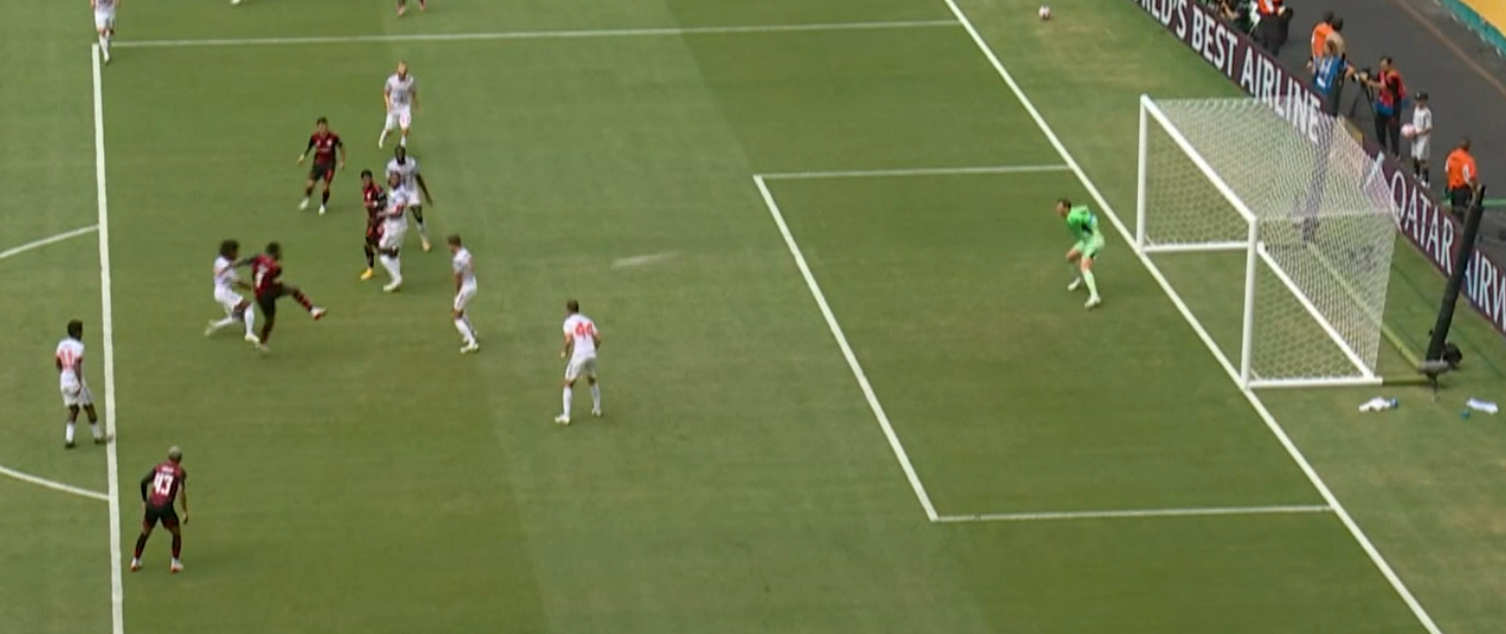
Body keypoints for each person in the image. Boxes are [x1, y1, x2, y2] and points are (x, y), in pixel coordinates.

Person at [249, 242, 327, 352]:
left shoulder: (259, 258)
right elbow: (273, 278)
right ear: (276, 252)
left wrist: (232, 265)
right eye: (279, 252)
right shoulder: (276, 267)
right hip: (267, 293)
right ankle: (313, 311)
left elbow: (248, 262)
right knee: (290, 293)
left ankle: (313, 310)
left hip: (259, 293)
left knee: (271, 318)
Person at [130, 446, 188, 573]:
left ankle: (135, 560)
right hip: (166, 507)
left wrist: (144, 500)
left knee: (145, 532)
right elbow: (181, 492)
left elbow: (143, 482)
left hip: (152, 505)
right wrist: (185, 511)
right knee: (176, 533)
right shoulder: (179, 472)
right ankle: (175, 562)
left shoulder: (159, 467)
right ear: (180, 459)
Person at [56, 320, 105, 448]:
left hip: (64, 380)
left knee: (74, 409)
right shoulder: (79, 346)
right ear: (78, 333)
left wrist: (63, 374)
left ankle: (69, 439)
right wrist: (79, 383)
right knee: (89, 407)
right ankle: (98, 436)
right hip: (75, 381)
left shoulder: (61, 344)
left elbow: (58, 362)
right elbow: (77, 364)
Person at [555, 300, 602, 425]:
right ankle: (597, 409)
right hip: (591, 353)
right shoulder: (587, 320)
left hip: (580, 355)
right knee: (592, 379)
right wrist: (593, 349)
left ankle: (566, 416)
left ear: (568, 310)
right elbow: (598, 338)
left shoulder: (568, 322)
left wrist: (565, 352)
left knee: (568, 383)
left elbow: (568, 340)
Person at [204, 240, 259, 344]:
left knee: (237, 317)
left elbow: (232, 264)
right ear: (230, 252)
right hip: (224, 293)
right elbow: (238, 282)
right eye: (236, 251)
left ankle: (215, 325)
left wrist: (246, 261)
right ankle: (249, 334)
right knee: (248, 306)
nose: (237, 253)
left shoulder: (219, 260)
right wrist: (254, 287)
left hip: (219, 292)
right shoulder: (229, 270)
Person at [385, 146, 434, 252]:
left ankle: (424, 239)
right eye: (398, 155)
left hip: (411, 191)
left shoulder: (412, 163)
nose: (400, 157)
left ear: (404, 154)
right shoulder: (391, 166)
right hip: (397, 193)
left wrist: (426, 194)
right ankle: (391, 241)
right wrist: (395, 182)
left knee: (418, 214)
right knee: (394, 218)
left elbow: (418, 178)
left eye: (401, 155)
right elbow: (389, 181)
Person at [1058, 199, 1104, 310]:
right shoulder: (1074, 211)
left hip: (1094, 242)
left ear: (1066, 208)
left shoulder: (1072, 218)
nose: (1058, 210)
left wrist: (1093, 226)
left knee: (1085, 267)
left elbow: (1091, 218)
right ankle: (1079, 280)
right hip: (1085, 241)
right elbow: (1085, 208)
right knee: (1070, 257)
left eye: (1060, 208)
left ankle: (1095, 296)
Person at [377, 172, 417, 292]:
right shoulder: (393, 191)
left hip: (396, 227)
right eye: (392, 179)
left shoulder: (400, 194)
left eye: (396, 179)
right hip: (392, 226)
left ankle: (397, 278)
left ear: (400, 180)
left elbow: (398, 213)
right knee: (394, 252)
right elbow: (390, 207)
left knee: (382, 252)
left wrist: (383, 214)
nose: (393, 181)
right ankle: (396, 279)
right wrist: (383, 223)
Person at [297, 117, 346, 215]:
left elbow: (342, 148)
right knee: (310, 185)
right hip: (318, 164)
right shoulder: (314, 137)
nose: (322, 129)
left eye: (324, 126)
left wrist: (342, 161)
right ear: (317, 127)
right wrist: (303, 156)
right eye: (320, 127)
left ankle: (323, 205)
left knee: (325, 187)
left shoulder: (333, 137)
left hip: (329, 165)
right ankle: (306, 199)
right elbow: (309, 147)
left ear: (327, 126)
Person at [1366, 57, 1407, 157]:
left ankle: (1395, 152)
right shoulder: (1381, 73)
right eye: (1381, 66)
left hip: (1393, 104)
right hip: (1383, 103)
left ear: (1390, 65)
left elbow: (1384, 86)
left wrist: (1371, 83)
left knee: (1393, 128)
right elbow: (1377, 80)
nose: (1382, 67)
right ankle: (1382, 147)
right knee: (1379, 125)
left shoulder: (1393, 76)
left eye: (1384, 66)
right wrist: (1368, 77)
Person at [449, 235, 480, 354]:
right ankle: (471, 332)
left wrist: (458, 293)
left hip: (466, 288)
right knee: (462, 311)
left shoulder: (457, 260)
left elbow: (458, 278)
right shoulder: (466, 252)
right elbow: (473, 266)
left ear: (453, 245)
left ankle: (472, 342)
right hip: (473, 284)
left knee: (456, 316)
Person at [379, 62, 418, 149]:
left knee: (405, 129)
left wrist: (416, 103)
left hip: (404, 108)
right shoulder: (391, 81)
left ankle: (402, 145)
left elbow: (413, 92)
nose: (402, 75)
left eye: (404, 73)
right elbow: (386, 93)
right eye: (401, 73)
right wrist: (388, 104)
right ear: (398, 72)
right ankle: (384, 135)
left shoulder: (411, 81)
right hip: (394, 107)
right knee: (390, 130)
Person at [1311, 40, 1352, 117]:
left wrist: (1341, 77)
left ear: (1331, 49)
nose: (1324, 50)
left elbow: (1351, 69)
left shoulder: (1337, 61)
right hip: (1318, 86)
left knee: (1326, 110)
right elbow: (1313, 66)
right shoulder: (1321, 59)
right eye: (1324, 48)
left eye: (1326, 48)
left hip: (1329, 89)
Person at [360, 170, 387, 280]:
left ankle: (392, 262)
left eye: (368, 178)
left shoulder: (377, 189)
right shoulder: (364, 189)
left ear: (371, 178)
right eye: (364, 179)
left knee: (381, 244)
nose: (366, 181)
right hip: (372, 220)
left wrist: (373, 204)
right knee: (368, 243)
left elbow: (385, 202)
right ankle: (370, 269)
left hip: (381, 219)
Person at [1445, 137, 1481, 220]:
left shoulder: (1451, 156)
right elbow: (1471, 177)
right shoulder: (1468, 160)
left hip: (1452, 189)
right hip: (1462, 190)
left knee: (1454, 212)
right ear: (1468, 147)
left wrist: (1449, 184)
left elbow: (1447, 170)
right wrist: (1476, 189)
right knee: (1460, 214)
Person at [1406, 93, 1434, 187]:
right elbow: (1415, 123)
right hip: (1415, 137)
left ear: (1424, 101)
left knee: (1423, 159)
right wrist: (1410, 131)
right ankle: (1417, 175)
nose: (1418, 102)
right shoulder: (1416, 110)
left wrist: (1417, 133)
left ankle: (1426, 180)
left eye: (1420, 100)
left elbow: (1428, 129)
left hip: (1423, 139)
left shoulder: (1427, 113)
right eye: (1417, 100)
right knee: (1414, 156)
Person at [91, 0, 116, 64]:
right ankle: (106, 54)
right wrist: (92, 2)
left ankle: (107, 37)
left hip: (110, 11)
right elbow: (92, 4)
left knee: (111, 31)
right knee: (101, 32)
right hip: (100, 13)